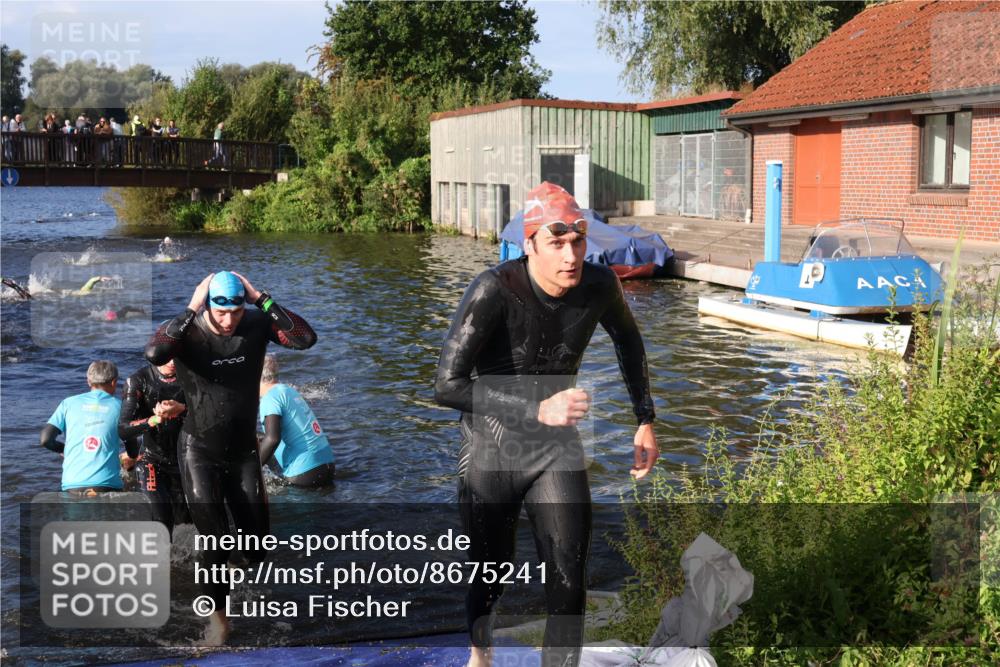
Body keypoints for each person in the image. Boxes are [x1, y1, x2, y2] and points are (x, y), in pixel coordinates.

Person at [434, 182, 658, 667]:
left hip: (555, 448)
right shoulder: (494, 289)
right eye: (556, 243)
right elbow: (446, 386)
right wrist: (537, 410)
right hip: (490, 449)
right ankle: (481, 654)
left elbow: (629, 341)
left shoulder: (600, 285)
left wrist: (645, 419)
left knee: (568, 574)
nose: (570, 254)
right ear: (529, 244)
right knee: (490, 571)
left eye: (578, 240)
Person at [145, 270, 317, 644]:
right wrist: (192, 304)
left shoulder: (255, 322)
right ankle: (218, 621)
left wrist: (260, 298)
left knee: (256, 549)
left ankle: (221, 572)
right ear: (207, 306)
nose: (227, 321)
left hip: (242, 452)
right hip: (198, 451)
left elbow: (304, 338)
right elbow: (155, 352)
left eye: (235, 312)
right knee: (217, 541)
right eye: (220, 313)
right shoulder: (187, 331)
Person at [118, 358, 190, 535]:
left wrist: (182, 409)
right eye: (167, 356)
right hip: (152, 459)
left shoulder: (192, 377)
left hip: (187, 459)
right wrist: (155, 420)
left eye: (177, 355)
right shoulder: (138, 381)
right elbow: (124, 429)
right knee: (161, 518)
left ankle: (187, 561)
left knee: (188, 522)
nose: (173, 361)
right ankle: (160, 560)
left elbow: (211, 413)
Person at [40, 360, 127, 496]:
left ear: (88, 381)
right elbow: (131, 439)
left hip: (72, 484)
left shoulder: (68, 403)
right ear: (114, 382)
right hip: (107, 484)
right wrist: (132, 456)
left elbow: (45, 439)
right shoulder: (121, 406)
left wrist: (65, 450)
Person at [258, 354, 335, 488]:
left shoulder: (269, 399)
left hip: (305, 474)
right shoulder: (289, 390)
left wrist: (252, 470)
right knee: (259, 439)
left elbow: (272, 439)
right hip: (328, 465)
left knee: (259, 443)